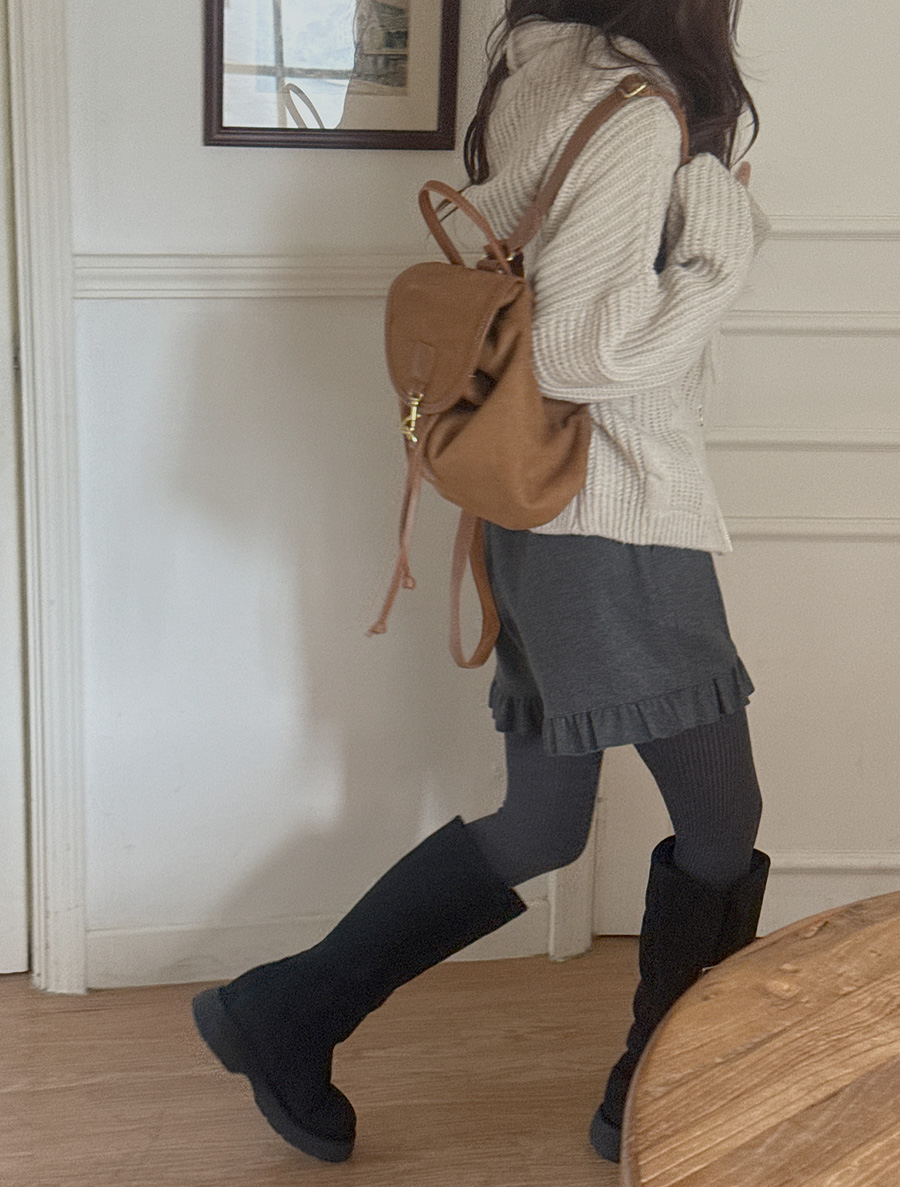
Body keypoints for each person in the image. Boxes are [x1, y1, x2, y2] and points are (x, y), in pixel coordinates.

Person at [192, 0, 772, 1167]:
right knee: (723, 818)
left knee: (542, 820)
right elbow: (581, 351)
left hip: (537, 517)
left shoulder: (541, 68)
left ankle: (288, 1008)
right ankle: (659, 1085)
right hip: (613, 528)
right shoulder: (638, 108)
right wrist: (723, 242)